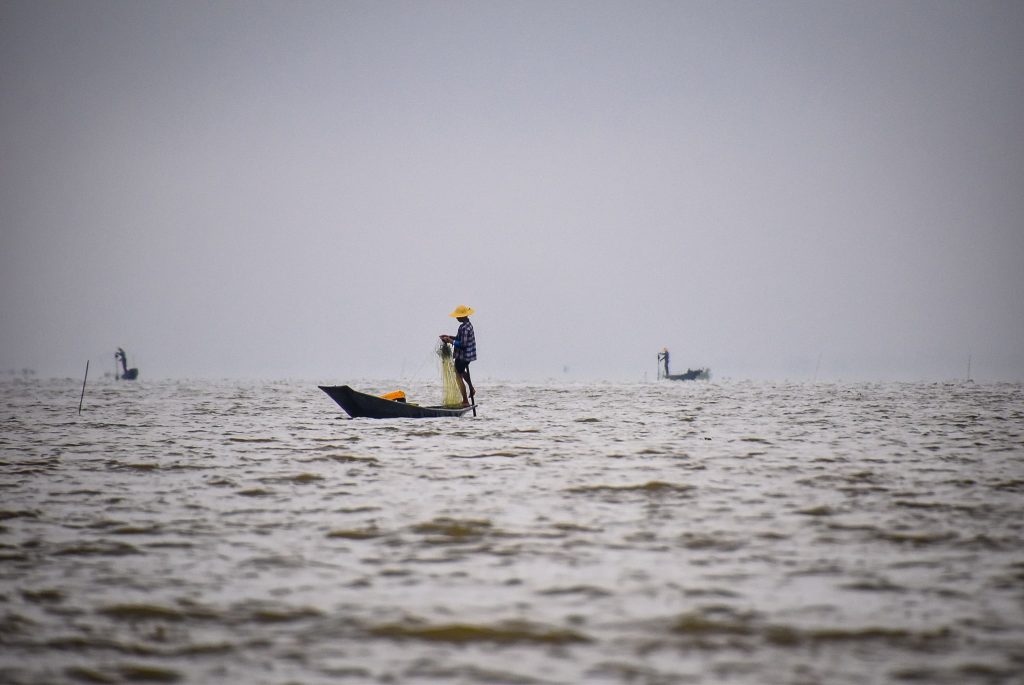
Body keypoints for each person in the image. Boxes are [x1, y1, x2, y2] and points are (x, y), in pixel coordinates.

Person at [439, 305, 476, 407]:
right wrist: (449, 337)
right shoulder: (467, 325)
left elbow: (463, 345)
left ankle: (465, 401)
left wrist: (450, 341)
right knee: (461, 371)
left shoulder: (464, 328)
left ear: (463, 316)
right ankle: (471, 388)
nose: (456, 318)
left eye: (458, 316)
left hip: (464, 355)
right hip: (467, 355)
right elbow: (460, 339)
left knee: (458, 376)